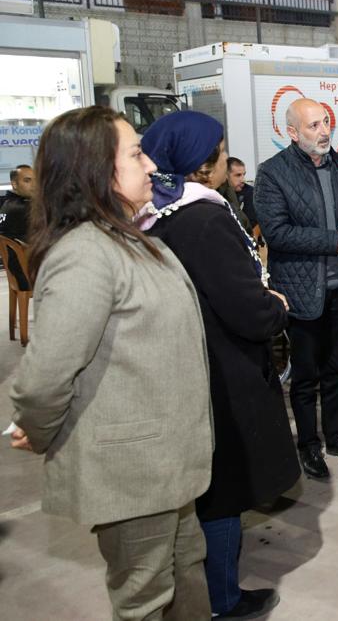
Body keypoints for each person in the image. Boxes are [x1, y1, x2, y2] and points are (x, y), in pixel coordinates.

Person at [9, 106, 213, 619]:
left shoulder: (128, 237)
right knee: (144, 598)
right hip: (132, 469)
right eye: (136, 154)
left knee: (186, 572)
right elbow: (45, 375)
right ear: (96, 170)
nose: (150, 166)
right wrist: (38, 427)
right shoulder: (85, 254)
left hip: (165, 463)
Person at [140, 111, 300, 619]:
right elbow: (247, 309)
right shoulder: (205, 218)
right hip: (222, 368)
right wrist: (275, 306)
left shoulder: (154, 214)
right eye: (221, 153)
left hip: (186, 358)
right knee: (224, 489)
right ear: (203, 165)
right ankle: (222, 601)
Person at [257, 97, 338, 476]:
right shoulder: (273, 173)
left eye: (326, 122)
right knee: (305, 375)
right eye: (313, 126)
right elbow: (277, 232)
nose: (324, 132)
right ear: (292, 133)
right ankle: (309, 446)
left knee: (337, 369)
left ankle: (337, 437)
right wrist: (332, 240)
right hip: (301, 290)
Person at [0, 164, 34, 288]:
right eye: (27, 180)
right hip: (28, 275)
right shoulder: (23, 208)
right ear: (14, 184)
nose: (34, 185)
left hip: (16, 271)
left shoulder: (7, 204)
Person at [227, 156, 258, 228]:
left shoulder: (251, 193)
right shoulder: (217, 194)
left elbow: (255, 223)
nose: (243, 180)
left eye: (244, 174)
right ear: (226, 175)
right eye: (238, 175)